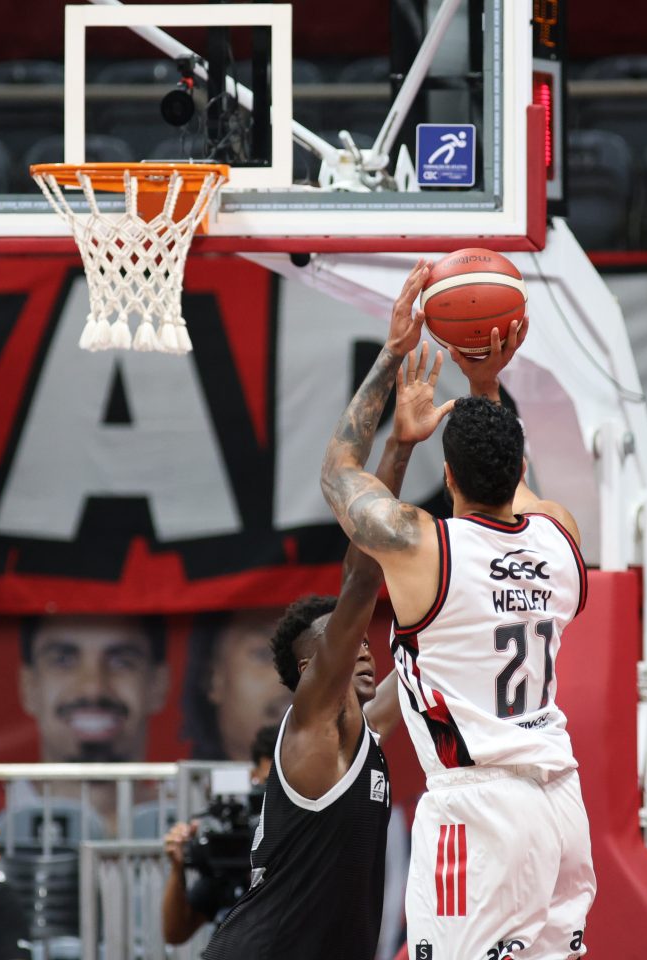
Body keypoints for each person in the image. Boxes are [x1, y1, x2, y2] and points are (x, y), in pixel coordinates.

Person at [321, 260, 596, 960]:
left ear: (446, 478)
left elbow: (338, 473)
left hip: (478, 809)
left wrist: (392, 357)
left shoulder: (425, 549)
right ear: (519, 470)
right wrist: (485, 385)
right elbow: (511, 477)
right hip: (559, 802)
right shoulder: (558, 534)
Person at [202, 301, 455, 960]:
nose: (364, 650)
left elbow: (427, 657)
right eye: (346, 644)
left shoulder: (360, 733)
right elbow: (362, 577)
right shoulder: (313, 722)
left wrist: (416, 450)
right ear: (309, 670)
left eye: (365, 644)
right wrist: (395, 392)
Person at [16, 614, 169, 833]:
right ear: (29, 686)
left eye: (121, 662)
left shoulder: (195, 825)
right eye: (63, 661)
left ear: (158, 684)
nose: (93, 689)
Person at [161, 723, 281, 946]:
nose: (273, 796)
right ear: (253, 777)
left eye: (283, 787)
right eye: (267, 784)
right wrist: (178, 869)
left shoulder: (312, 843)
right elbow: (176, 933)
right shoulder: (235, 844)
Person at [181, 610, 292, 762]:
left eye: (310, 654)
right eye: (264, 654)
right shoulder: (176, 776)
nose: (294, 674)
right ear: (213, 678)